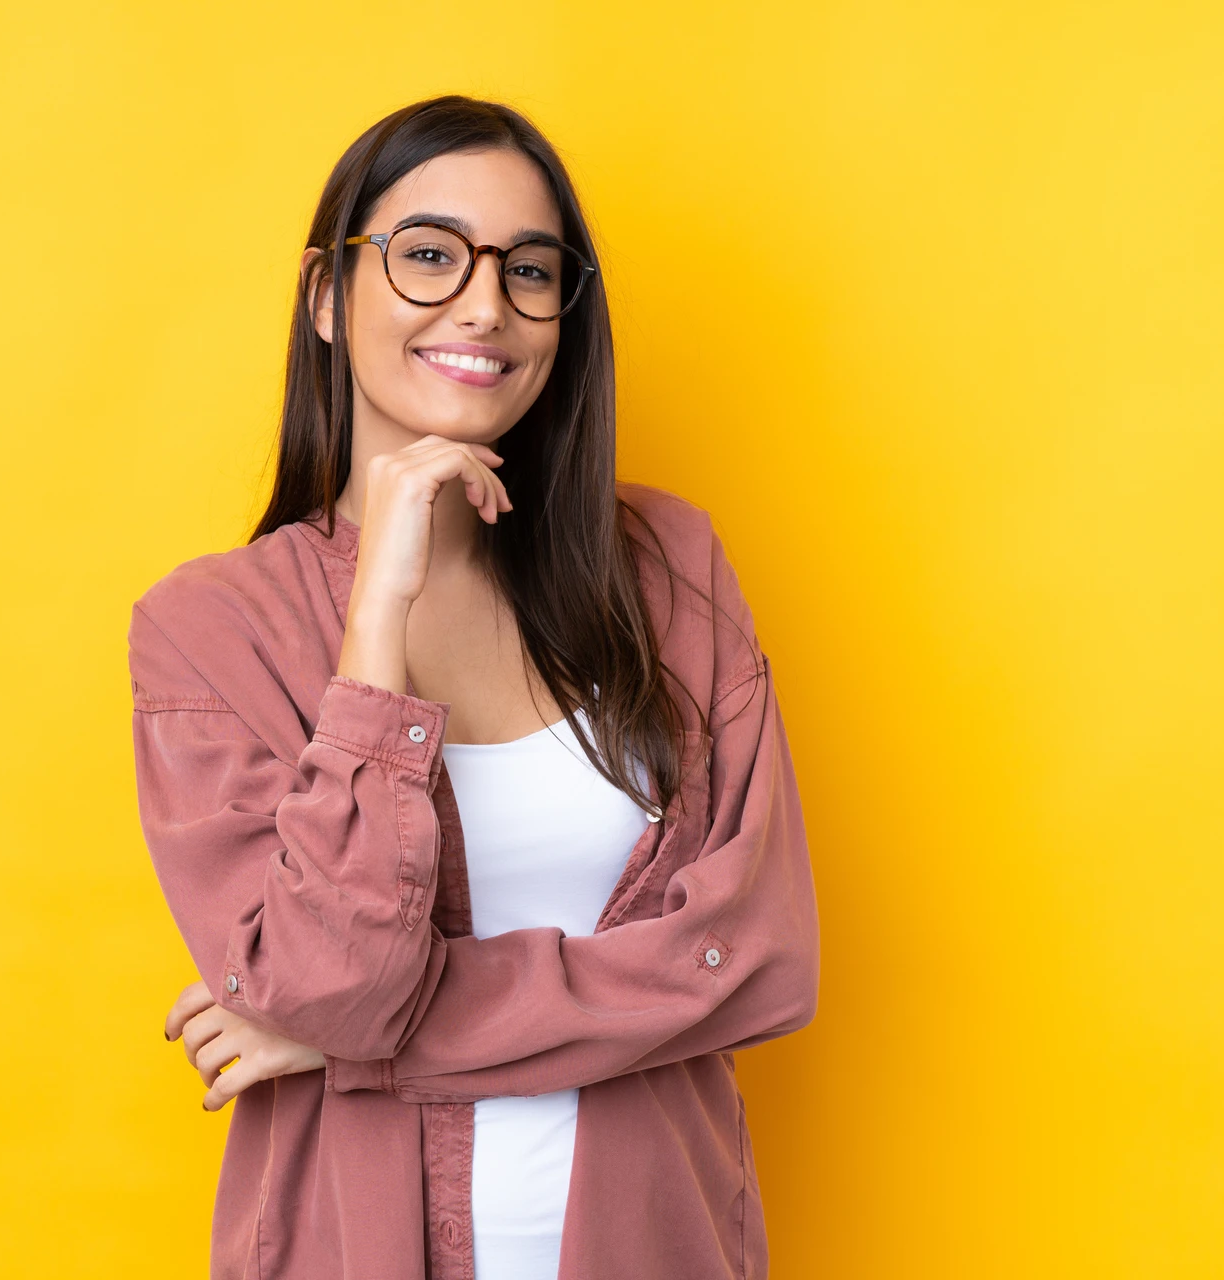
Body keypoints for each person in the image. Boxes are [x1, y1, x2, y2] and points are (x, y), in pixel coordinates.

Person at [131, 95, 819, 1280]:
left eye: (531, 269)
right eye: (430, 255)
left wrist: (359, 1043)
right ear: (324, 299)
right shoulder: (208, 630)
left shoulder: (670, 572)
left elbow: (755, 959)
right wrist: (376, 629)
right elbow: (330, 980)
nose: (486, 305)